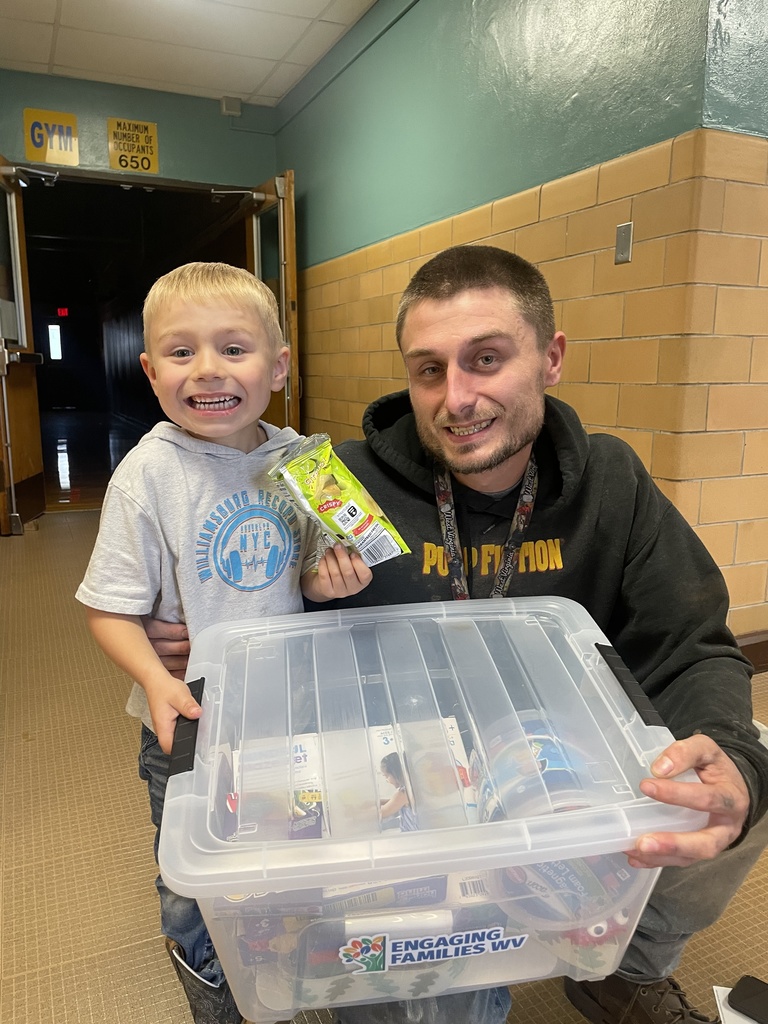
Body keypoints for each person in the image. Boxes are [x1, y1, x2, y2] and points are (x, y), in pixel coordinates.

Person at [145, 246, 768, 1024]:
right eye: (429, 369)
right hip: (414, 783)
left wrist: (732, 759)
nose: (457, 398)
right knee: (434, 991)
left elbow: (693, 645)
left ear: (552, 358)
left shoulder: (611, 481)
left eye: (486, 360)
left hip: (550, 751)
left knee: (749, 764)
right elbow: (243, 586)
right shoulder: (341, 480)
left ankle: (621, 967)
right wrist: (186, 626)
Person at [76, 262, 372, 1024]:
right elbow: (108, 610)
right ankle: (206, 976)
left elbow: (304, 580)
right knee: (193, 871)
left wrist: (331, 583)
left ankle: (278, 952)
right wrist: (157, 677)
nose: (207, 369)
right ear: (150, 371)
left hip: (286, 714)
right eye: (181, 352)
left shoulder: (302, 461)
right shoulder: (148, 475)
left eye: (234, 349)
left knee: (288, 848)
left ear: (278, 366)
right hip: (190, 720)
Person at [380, 752, 418, 830]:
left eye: (387, 776)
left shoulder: (403, 793)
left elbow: (382, 813)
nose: (387, 780)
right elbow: (392, 802)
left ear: (396, 773)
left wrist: (360, 812)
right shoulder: (411, 788)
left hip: (412, 836)